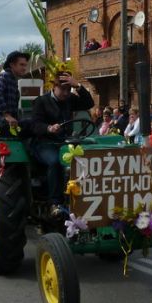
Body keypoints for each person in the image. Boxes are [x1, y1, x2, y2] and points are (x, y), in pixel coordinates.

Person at [30, 71, 95, 218]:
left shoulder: (70, 99)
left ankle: (84, 196)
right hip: (45, 143)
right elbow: (35, 125)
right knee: (55, 161)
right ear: (54, 87)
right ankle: (55, 202)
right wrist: (49, 128)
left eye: (68, 89)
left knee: (85, 158)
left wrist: (78, 86)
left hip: (65, 143)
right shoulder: (41, 101)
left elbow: (89, 103)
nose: (66, 93)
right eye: (63, 89)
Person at [0, 51, 30, 129]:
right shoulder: (4, 76)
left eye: (25, 65)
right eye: (21, 65)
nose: (24, 68)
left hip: (7, 123)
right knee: (32, 126)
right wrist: (6, 115)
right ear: (12, 65)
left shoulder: (13, 80)